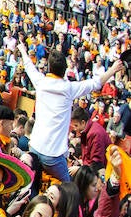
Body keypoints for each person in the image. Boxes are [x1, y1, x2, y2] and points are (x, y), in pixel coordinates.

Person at [19, 41, 123, 183]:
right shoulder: (68, 88)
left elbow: (29, 66)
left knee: (33, 184)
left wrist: (23, 50)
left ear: (49, 68)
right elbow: (95, 83)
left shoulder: (41, 82)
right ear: (64, 70)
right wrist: (113, 70)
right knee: (70, 191)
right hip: (53, 156)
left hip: (35, 147)